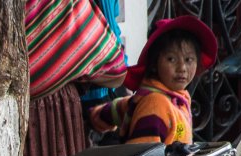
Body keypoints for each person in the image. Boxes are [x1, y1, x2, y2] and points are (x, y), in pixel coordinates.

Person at [89, 15, 218, 145]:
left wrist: (98, 115)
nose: (182, 68)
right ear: (155, 63)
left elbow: (124, 107)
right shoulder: (155, 104)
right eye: (171, 59)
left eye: (188, 59)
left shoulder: (170, 97)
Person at [25, 0, 126, 156]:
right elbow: (115, 69)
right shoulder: (63, 4)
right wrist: (67, 68)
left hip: (5, 115)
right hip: (57, 111)